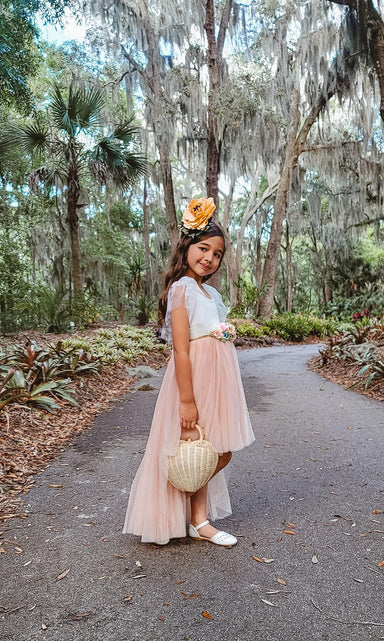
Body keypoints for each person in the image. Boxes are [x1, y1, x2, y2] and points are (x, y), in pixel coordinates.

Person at [123, 196, 254, 546]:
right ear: (187, 246)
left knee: (215, 449)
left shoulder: (208, 292)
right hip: (193, 379)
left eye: (216, 254)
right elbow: (180, 349)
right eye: (203, 248)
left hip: (217, 380)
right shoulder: (181, 289)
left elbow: (211, 331)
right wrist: (186, 400)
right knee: (199, 447)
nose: (209, 258)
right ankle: (196, 518)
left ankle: (197, 517)